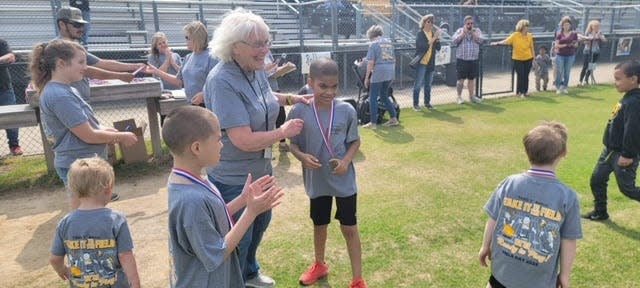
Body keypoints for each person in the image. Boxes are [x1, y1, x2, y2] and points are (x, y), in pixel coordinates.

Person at [203, 8, 309, 287]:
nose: (265, 49)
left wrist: (290, 98)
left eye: (267, 42)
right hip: (234, 176)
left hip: (260, 167)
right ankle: (234, 280)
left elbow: (264, 95)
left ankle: (249, 272)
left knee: (261, 221)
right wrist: (282, 132)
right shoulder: (222, 80)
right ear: (235, 48)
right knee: (240, 233)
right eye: (258, 44)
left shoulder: (254, 68)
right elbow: (242, 139)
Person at [162, 106, 283, 287]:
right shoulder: (190, 201)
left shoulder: (191, 180)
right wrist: (250, 212)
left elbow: (211, 218)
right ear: (196, 147)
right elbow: (216, 253)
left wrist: (242, 200)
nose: (222, 144)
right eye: (218, 139)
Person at [288, 58, 367, 288]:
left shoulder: (346, 110)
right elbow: (292, 143)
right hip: (317, 181)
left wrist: (345, 161)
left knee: (349, 228)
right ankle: (319, 264)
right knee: (319, 224)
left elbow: (355, 142)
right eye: (323, 86)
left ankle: (358, 279)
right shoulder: (299, 110)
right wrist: (302, 157)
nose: (329, 92)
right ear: (310, 82)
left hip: (343, 181)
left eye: (334, 86)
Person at [29, 40, 138, 204]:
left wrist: (109, 131)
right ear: (61, 64)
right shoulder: (60, 95)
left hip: (85, 163)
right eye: (80, 62)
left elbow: (87, 125)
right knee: (86, 212)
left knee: (93, 210)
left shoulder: (68, 89)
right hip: (78, 165)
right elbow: (89, 135)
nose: (85, 67)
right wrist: (122, 136)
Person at [478, 121, 582, 288]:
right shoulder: (568, 196)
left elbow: (493, 218)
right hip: (535, 280)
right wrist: (564, 275)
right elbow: (568, 240)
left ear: (527, 151)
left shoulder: (510, 183)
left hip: (502, 273)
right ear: (564, 153)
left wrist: (485, 246)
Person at [49, 156, 141, 288]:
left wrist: (62, 270)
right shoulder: (117, 220)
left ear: (73, 190)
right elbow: (125, 254)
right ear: (108, 189)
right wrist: (135, 283)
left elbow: (55, 259)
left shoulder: (65, 222)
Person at [582, 60, 640, 221]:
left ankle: (600, 211)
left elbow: (633, 131)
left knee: (627, 189)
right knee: (597, 180)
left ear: (633, 79)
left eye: (618, 79)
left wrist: (628, 155)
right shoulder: (627, 98)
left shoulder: (634, 102)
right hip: (609, 151)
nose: (615, 83)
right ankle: (600, 211)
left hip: (622, 154)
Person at [56, 6, 145, 103]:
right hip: (68, 102)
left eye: (82, 25)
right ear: (62, 25)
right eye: (76, 24)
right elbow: (88, 71)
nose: (81, 28)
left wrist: (135, 66)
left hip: (77, 101)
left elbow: (102, 63)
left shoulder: (74, 47)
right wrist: (120, 76)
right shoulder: (59, 48)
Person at [147, 21, 217, 107]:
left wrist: (204, 94)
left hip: (209, 105)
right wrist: (157, 72)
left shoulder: (212, 57)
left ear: (197, 38)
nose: (186, 41)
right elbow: (179, 81)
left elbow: (217, 83)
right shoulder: (188, 57)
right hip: (192, 104)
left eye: (188, 38)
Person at [363, 24, 398, 129]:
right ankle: (393, 118)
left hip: (380, 71)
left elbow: (371, 63)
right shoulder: (389, 43)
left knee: (372, 96)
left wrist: (367, 78)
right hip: (390, 70)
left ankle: (373, 123)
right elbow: (394, 60)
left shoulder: (373, 44)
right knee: (383, 95)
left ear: (371, 35)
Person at [491, 19, 535, 98]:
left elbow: (531, 48)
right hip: (518, 59)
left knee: (526, 75)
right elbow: (506, 41)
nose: (527, 28)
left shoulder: (529, 36)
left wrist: (533, 58)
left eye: (528, 26)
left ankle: (525, 91)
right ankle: (520, 92)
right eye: (526, 26)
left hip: (528, 58)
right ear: (521, 27)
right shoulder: (515, 35)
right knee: (521, 75)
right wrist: (497, 43)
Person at [451, 15, 484, 104]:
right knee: (460, 79)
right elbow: (454, 41)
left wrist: (473, 33)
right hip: (462, 60)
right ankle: (459, 97)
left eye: (471, 23)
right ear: (465, 24)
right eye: (468, 23)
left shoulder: (477, 31)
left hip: (473, 59)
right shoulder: (459, 31)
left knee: (471, 79)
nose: (470, 25)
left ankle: (471, 97)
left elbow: (481, 40)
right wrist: (463, 34)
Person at [412, 14, 441, 111]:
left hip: (430, 63)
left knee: (428, 85)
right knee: (418, 84)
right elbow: (423, 46)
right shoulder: (420, 34)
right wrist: (433, 39)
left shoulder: (433, 34)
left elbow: (438, 48)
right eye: (428, 22)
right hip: (421, 63)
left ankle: (427, 103)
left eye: (432, 22)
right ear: (424, 23)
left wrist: (437, 39)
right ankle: (415, 104)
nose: (430, 24)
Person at [0, 38, 23, 156]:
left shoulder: (1, 42)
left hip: (4, 88)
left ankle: (14, 145)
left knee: (12, 117)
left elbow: (10, 57)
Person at [265, 50, 289, 152]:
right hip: (265, 91)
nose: (267, 45)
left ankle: (282, 144)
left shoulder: (268, 52)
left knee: (281, 116)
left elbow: (272, 70)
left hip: (274, 88)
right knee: (266, 123)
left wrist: (281, 69)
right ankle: (267, 153)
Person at [554, 17, 578, 94]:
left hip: (570, 55)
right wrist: (565, 45)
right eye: (565, 25)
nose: (566, 26)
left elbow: (576, 45)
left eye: (568, 24)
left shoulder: (574, 34)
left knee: (567, 72)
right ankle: (558, 87)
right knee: (560, 71)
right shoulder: (559, 34)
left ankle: (565, 87)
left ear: (570, 25)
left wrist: (573, 44)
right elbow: (556, 45)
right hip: (560, 55)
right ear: (562, 25)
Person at [578, 20, 606, 86]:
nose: (596, 27)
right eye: (595, 26)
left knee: (591, 66)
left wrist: (600, 36)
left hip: (596, 51)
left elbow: (604, 40)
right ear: (591, 26)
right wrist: (589, 39)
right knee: (585, 66)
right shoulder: (587, 33)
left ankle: (586, 80)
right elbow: (585, 42)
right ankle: (580, 80)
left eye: (597, 26)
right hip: (588, 51)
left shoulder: (600, 33)